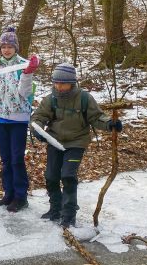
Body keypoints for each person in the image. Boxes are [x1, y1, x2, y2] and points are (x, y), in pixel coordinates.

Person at [31, 63, 122, 228]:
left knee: (68, 176)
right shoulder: (50, 99)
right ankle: (55, 209)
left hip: (76, 143)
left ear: (72, 83)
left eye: (62, 83)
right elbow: (38, 117)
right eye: (56, 83)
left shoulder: (84, 98)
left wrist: (110, 124)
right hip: (54, 142)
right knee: (51, 176)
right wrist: (37, 129)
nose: (58, 86)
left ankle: (69, 214)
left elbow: (97, 117)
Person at [0, 27, 38, 213]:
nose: (7, 49)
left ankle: (21, 196)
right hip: (0, 117)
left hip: (18, 118)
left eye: (10, 46)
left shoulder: (22, 65)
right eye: (4, 46)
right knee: (6, 158)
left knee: (17, 158)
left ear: (16, 47)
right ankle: (8, 193)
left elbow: (24, 93)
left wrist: (27, 74)